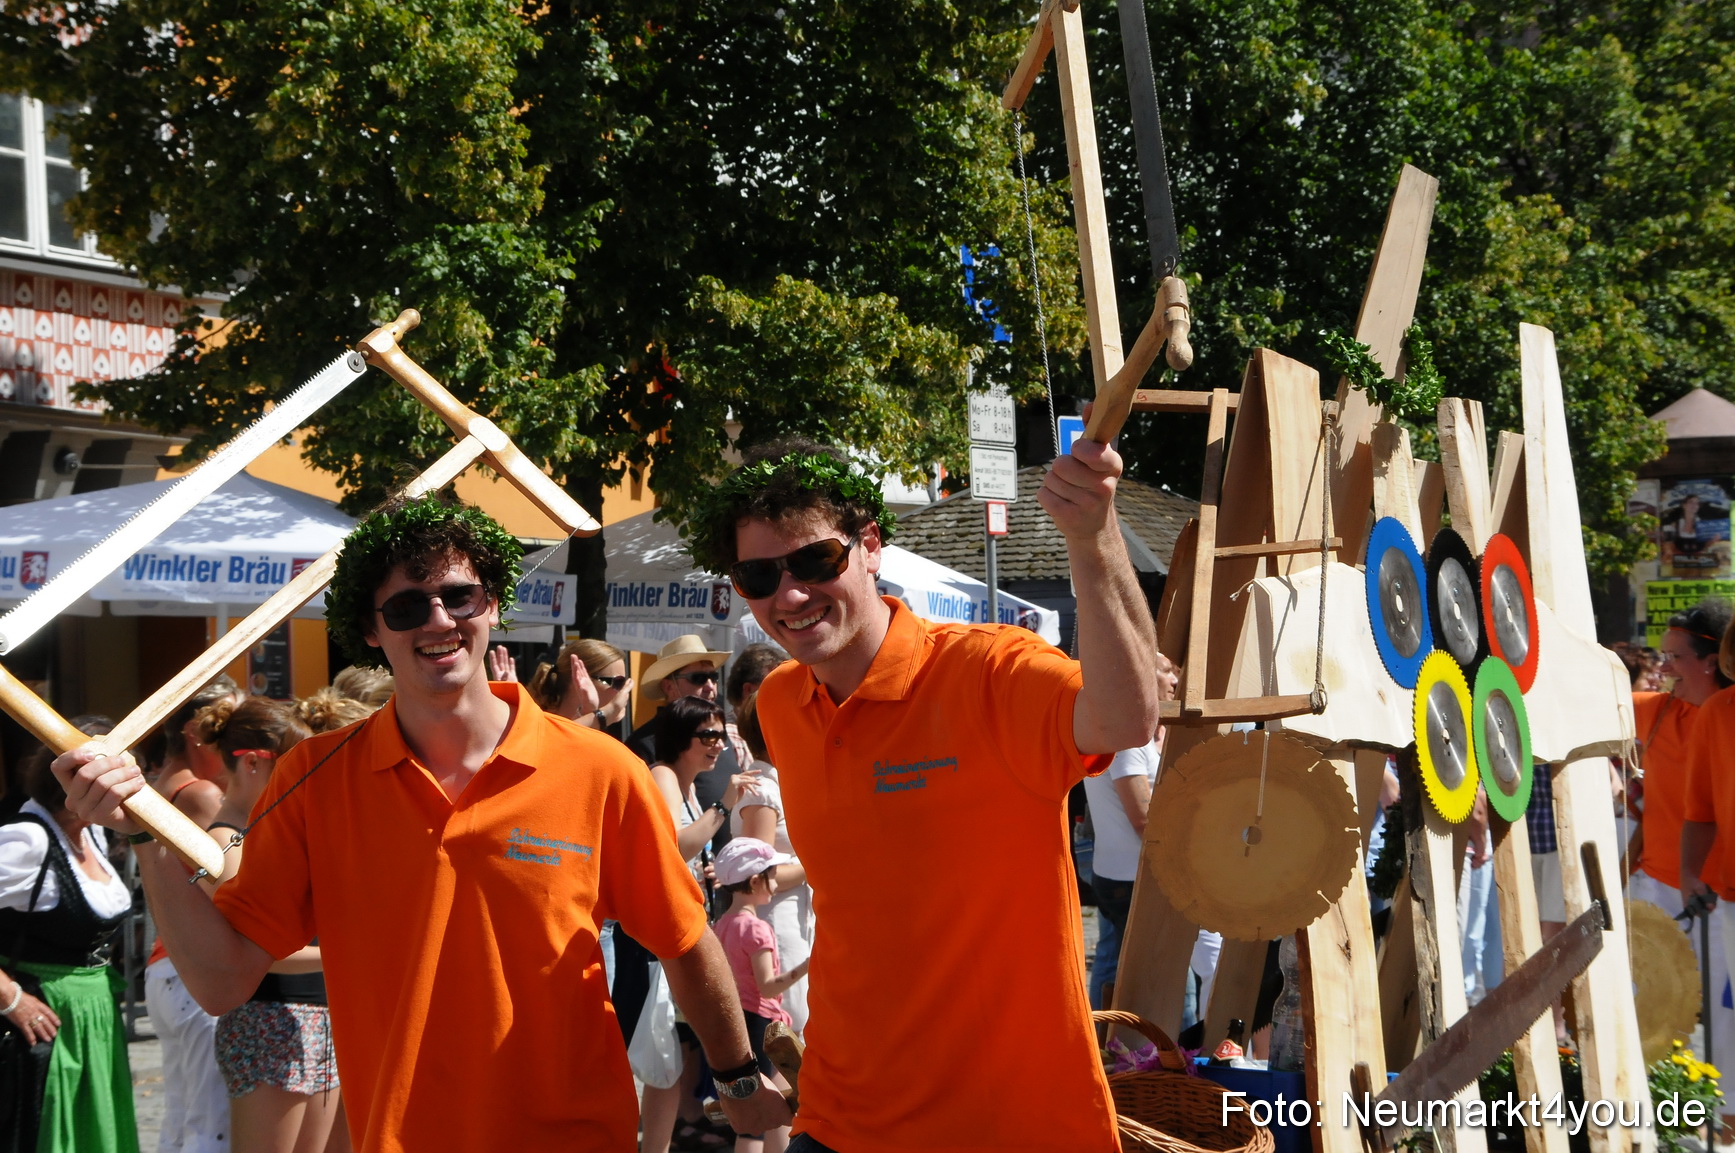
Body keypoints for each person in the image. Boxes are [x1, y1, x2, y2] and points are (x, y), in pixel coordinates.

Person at [52, 494, 789, 1151]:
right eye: (406, 607)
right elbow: (223, 980)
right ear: (371, 631)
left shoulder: (598, 768)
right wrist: (145, 837)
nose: (438, 620)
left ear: (492, 604)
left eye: (459, 596)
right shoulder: (315, 777)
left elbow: (684, 941)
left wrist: (737, 1073)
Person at [684, 436, 1160, 1151]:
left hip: (1003, 1128)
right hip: (838, 1119)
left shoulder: (987, 672)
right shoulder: (781, 701)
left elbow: (1127, 718)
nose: (790, 595)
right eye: (758, 575)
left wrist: (1093, 538)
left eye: (815, 560)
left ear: (870, 546)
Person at [195, 695, 345, 1153]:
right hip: (269, 1020)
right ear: (254, 763)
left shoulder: (270, 831)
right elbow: (256, 948)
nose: (304, 778)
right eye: (293, 766)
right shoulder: (223, 842)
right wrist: (350, 954)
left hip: (311, 1016)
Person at [0, 717, 139, 1153]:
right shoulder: (26, 839)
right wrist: (10, 997)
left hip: (93, 1018)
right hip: (44, 1018)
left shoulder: (91, 832)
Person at [641, 696, 760, 1153]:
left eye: (721, 735)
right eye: (708, 735)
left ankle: (676, 1132)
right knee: (664, 1059)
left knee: (681, 1050)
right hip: (656, 943)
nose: (718, 745)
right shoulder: (664, 776)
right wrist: (724, 807)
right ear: (680, 737)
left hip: (683, 930)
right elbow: (672, 849)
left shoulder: (686, 786)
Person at [146, 675, 242, 1153]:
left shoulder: (164, 784)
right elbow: (234, 888)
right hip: (195, 970)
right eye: (228, 722)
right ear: (194, 730)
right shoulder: (200, 794)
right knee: (210, 1125)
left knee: (184, 1120)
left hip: (170, 967)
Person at [1082, 653, 1176, 1010]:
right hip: (1131, 878)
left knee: (1112, 960)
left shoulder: (1137, 734)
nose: (1175, 680)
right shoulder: (1128, 739)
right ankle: (1135, 1037)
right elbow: (1144, 820)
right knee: (1163, 974)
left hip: (1121, 873)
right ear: (1142, 679)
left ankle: (1102, 1032)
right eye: (1165, 671)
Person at [710, 839, 807, 1153]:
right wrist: (807, 965)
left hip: (738, 1020)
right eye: (773, 876)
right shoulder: (756, 929)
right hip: (762, 1023)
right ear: (755, 881)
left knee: (764, 1110)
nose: (776, 884)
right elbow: (767, 987)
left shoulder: (721, 926)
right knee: (762, 1118)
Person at [730, 698, 811, 1034]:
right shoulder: (763, 790)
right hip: (774, 920)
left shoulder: (776, 783)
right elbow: (757, 874)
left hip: (791, 913)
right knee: (788, 1018)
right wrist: (818, 862)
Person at [526, 637, 635, 734]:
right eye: (618, 682)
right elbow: (559, 740)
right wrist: (606, 712)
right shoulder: (538, 725)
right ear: (580, 679)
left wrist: (592, 712)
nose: (623, 690)